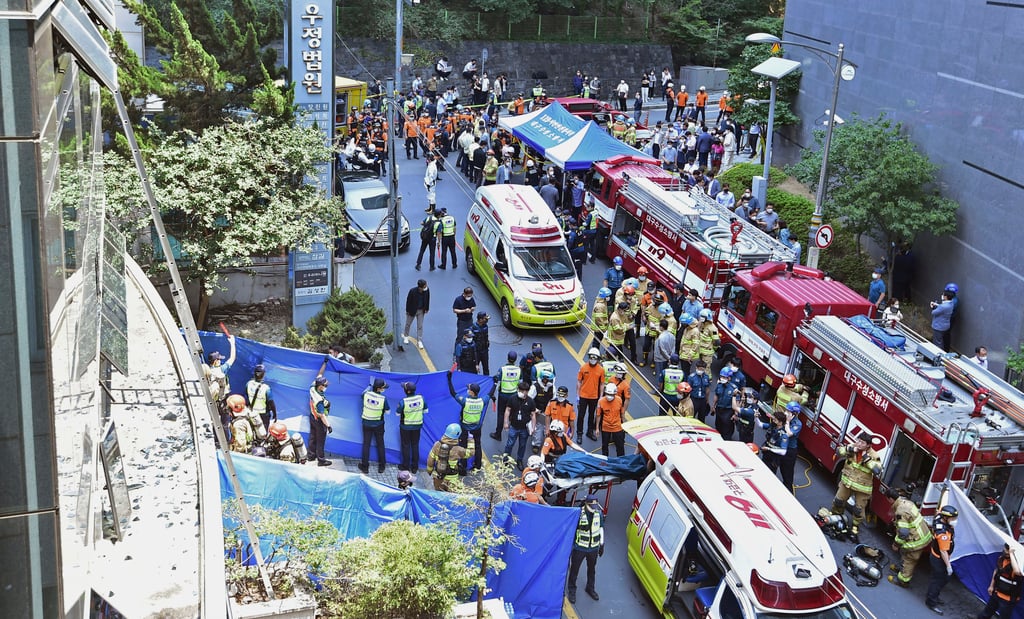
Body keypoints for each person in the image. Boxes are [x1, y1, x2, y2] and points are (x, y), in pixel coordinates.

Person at [831, 431, 882, 540]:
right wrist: (849, 449)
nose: (858, 443)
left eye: (862, 442)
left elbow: (877, 470)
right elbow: (839, 451)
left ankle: (855, 526)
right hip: (847, 482)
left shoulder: (874, 455)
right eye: (858, 440)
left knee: (858, 510)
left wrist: (866, 459)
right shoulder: (853, 447)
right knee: (838, 501)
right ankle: (837, 517)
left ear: (868, 445)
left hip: (862, 488)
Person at [883, 486, 933, 588]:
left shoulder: (900, 511)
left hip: (917, 541)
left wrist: (896, 544)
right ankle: (901, 568)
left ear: (891, 499)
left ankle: (903, 580)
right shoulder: (907, 503)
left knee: (909, 559)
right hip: (923, 535)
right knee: (905, 553)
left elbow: (903, 533)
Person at [566, 494, 605, 604]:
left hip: (593, 548)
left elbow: (601, 528)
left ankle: (590, 588)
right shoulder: (578, 514)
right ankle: (572, 590)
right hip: (580, 547)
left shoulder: (598, 513)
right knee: (574, 570)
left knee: (592, 570)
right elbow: (572, 531)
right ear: (586, 504)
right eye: (592, 506)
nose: (594, 508)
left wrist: (602, 544)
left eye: (595, 506)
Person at [926, 505, 959, 615]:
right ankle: (931, 601)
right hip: (939, 559)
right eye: (953, 519)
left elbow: (937, 512)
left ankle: (934, 595)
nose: (954, 521)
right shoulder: (942, 533)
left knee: (944, 579)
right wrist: (948, 566)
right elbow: (943, 551)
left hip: (937, 556)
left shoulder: (939, 518)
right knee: (938, 580)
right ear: (945, 518)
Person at [976, 542, 1023, 619]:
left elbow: (1017, 572)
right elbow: (996, 570)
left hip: (1008, 599)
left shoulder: (1019, 564)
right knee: (986, 613)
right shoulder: (1002, 558)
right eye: (1005, 550)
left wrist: (1011, 554)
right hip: (997, 593)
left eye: (1007, 552)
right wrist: (991, 586)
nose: (1005, 552)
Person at [203, 334, 236, 436]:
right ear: (216, 361)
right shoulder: (221, 370)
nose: (221, 361)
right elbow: (232, 358)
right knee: (225, 424)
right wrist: (232, 343)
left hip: (212, 402)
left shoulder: (206, 371)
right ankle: (225, 440)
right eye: (219, 359)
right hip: (223, 401)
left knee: (213, 422)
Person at [503, 381, 537, 469]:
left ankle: (519, 460)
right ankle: (506, 458)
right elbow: (508, 410)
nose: (522, 392)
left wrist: (533, 428)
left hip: (524, 428)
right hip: (514, 426)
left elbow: (533, 415)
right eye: (521, 390)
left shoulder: (530, 401)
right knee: (510, 443)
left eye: (524, 391)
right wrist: (506, 422)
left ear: (527, 391)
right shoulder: (512, 398)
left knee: (522, 445)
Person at [359, 377, 390, 474]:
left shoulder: (366, 394)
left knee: (366, 445)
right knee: (380, 444)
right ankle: (382, 467)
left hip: (366, 423)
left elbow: (362, 393)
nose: (383, 389)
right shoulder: (383, 399)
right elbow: (388, 412)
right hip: (378, 424)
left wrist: (370, 385)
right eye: (383, 387)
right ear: (379, 389)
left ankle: (365, 467)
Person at [489, 351, 521, 441]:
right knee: (513, 413)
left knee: (501, 414)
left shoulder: (502, 369)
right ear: (515, 360)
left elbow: (497, 378)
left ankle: (498, 434)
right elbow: (520, 380)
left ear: (507, 358)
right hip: (514, 395)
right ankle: (513, 433)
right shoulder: (518, 370)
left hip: (503, 395)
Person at [427, 424, 470, 491]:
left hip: (438, 477)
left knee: (438, 496)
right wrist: (470, 439)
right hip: (452, 479)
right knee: (450, 498)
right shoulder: (459, 450)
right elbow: (470, 452)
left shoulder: (437, 445)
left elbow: (430, 460)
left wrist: (429, 471)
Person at [396, 381, 427, 473]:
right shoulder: (421, 399)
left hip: (405, 427)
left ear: (407, 391)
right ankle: (414, 467)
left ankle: (405, 466)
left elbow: (397, 413)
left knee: (406, 446)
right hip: (417, 427)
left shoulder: (403, 402)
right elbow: (426, 410)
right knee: (415, 445)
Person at [577, 348, 603, 441]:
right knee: (581, 415)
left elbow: (602, 384)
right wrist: (577, 395)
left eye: (595, 357)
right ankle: (579, 434)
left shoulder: (601, 370)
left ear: (598, 358)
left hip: (594, 397)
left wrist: (600, 397)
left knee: (591, 415)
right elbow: (579, 381)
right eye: (591, 357)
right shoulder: (583, 368)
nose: (592, 359)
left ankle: (589, 432)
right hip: (583, 396)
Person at [308, 367, 332, 466]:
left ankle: (311, 455)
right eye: (325, 385)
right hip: (319, 420)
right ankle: (321, 460)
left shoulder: (312, 388)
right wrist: (329, 426)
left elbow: (319, 375)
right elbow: (322, 415)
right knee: (320, 440)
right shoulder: (319, 401)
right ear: (320, 386)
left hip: (312, 417)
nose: (326, 386)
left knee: (313, 437)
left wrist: (325, 363)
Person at [245, 364, 277, 432]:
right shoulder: (266, 388)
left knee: (252, 429)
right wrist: (275, 414)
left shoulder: (248, 384)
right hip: (263, 414)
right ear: (263, 375)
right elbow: (271, 402)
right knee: (263, 432)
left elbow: (246, 397)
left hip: (252, 412)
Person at [597, 383, 625, 457]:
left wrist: (624, 425)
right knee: (604, 446)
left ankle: (621, 461)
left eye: (611, 394)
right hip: (606, 427)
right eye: (608, 394)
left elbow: (622, 413)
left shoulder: (619, 400)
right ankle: (605, 460)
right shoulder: (601, 401)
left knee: (620, 446)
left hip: (617, 427)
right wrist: (597, 428)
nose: (609, 396)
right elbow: (598, 415)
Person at [710, 366, 738, 440]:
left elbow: (737, 402)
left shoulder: (733, 388)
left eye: (724, 377)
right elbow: (716, 395)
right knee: (718, 425)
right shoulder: (719, 385)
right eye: (721, 377)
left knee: (727, 428)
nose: (722, 378)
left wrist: (735, 414)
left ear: (729, 378)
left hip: (728, 411)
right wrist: (713, 406)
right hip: (719, 408)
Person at [403, 279, 430, 348]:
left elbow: (428, 299)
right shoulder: (412, 291)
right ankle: (406, 336)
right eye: (425, 286)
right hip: (412, 310)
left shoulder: (427, 290)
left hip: (421, 310)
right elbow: (408, 301)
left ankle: (419, 341)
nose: (426, 286)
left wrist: (426, 308)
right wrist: (407, 310)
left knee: (420, 326)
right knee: (408, 324)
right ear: (420, 287)